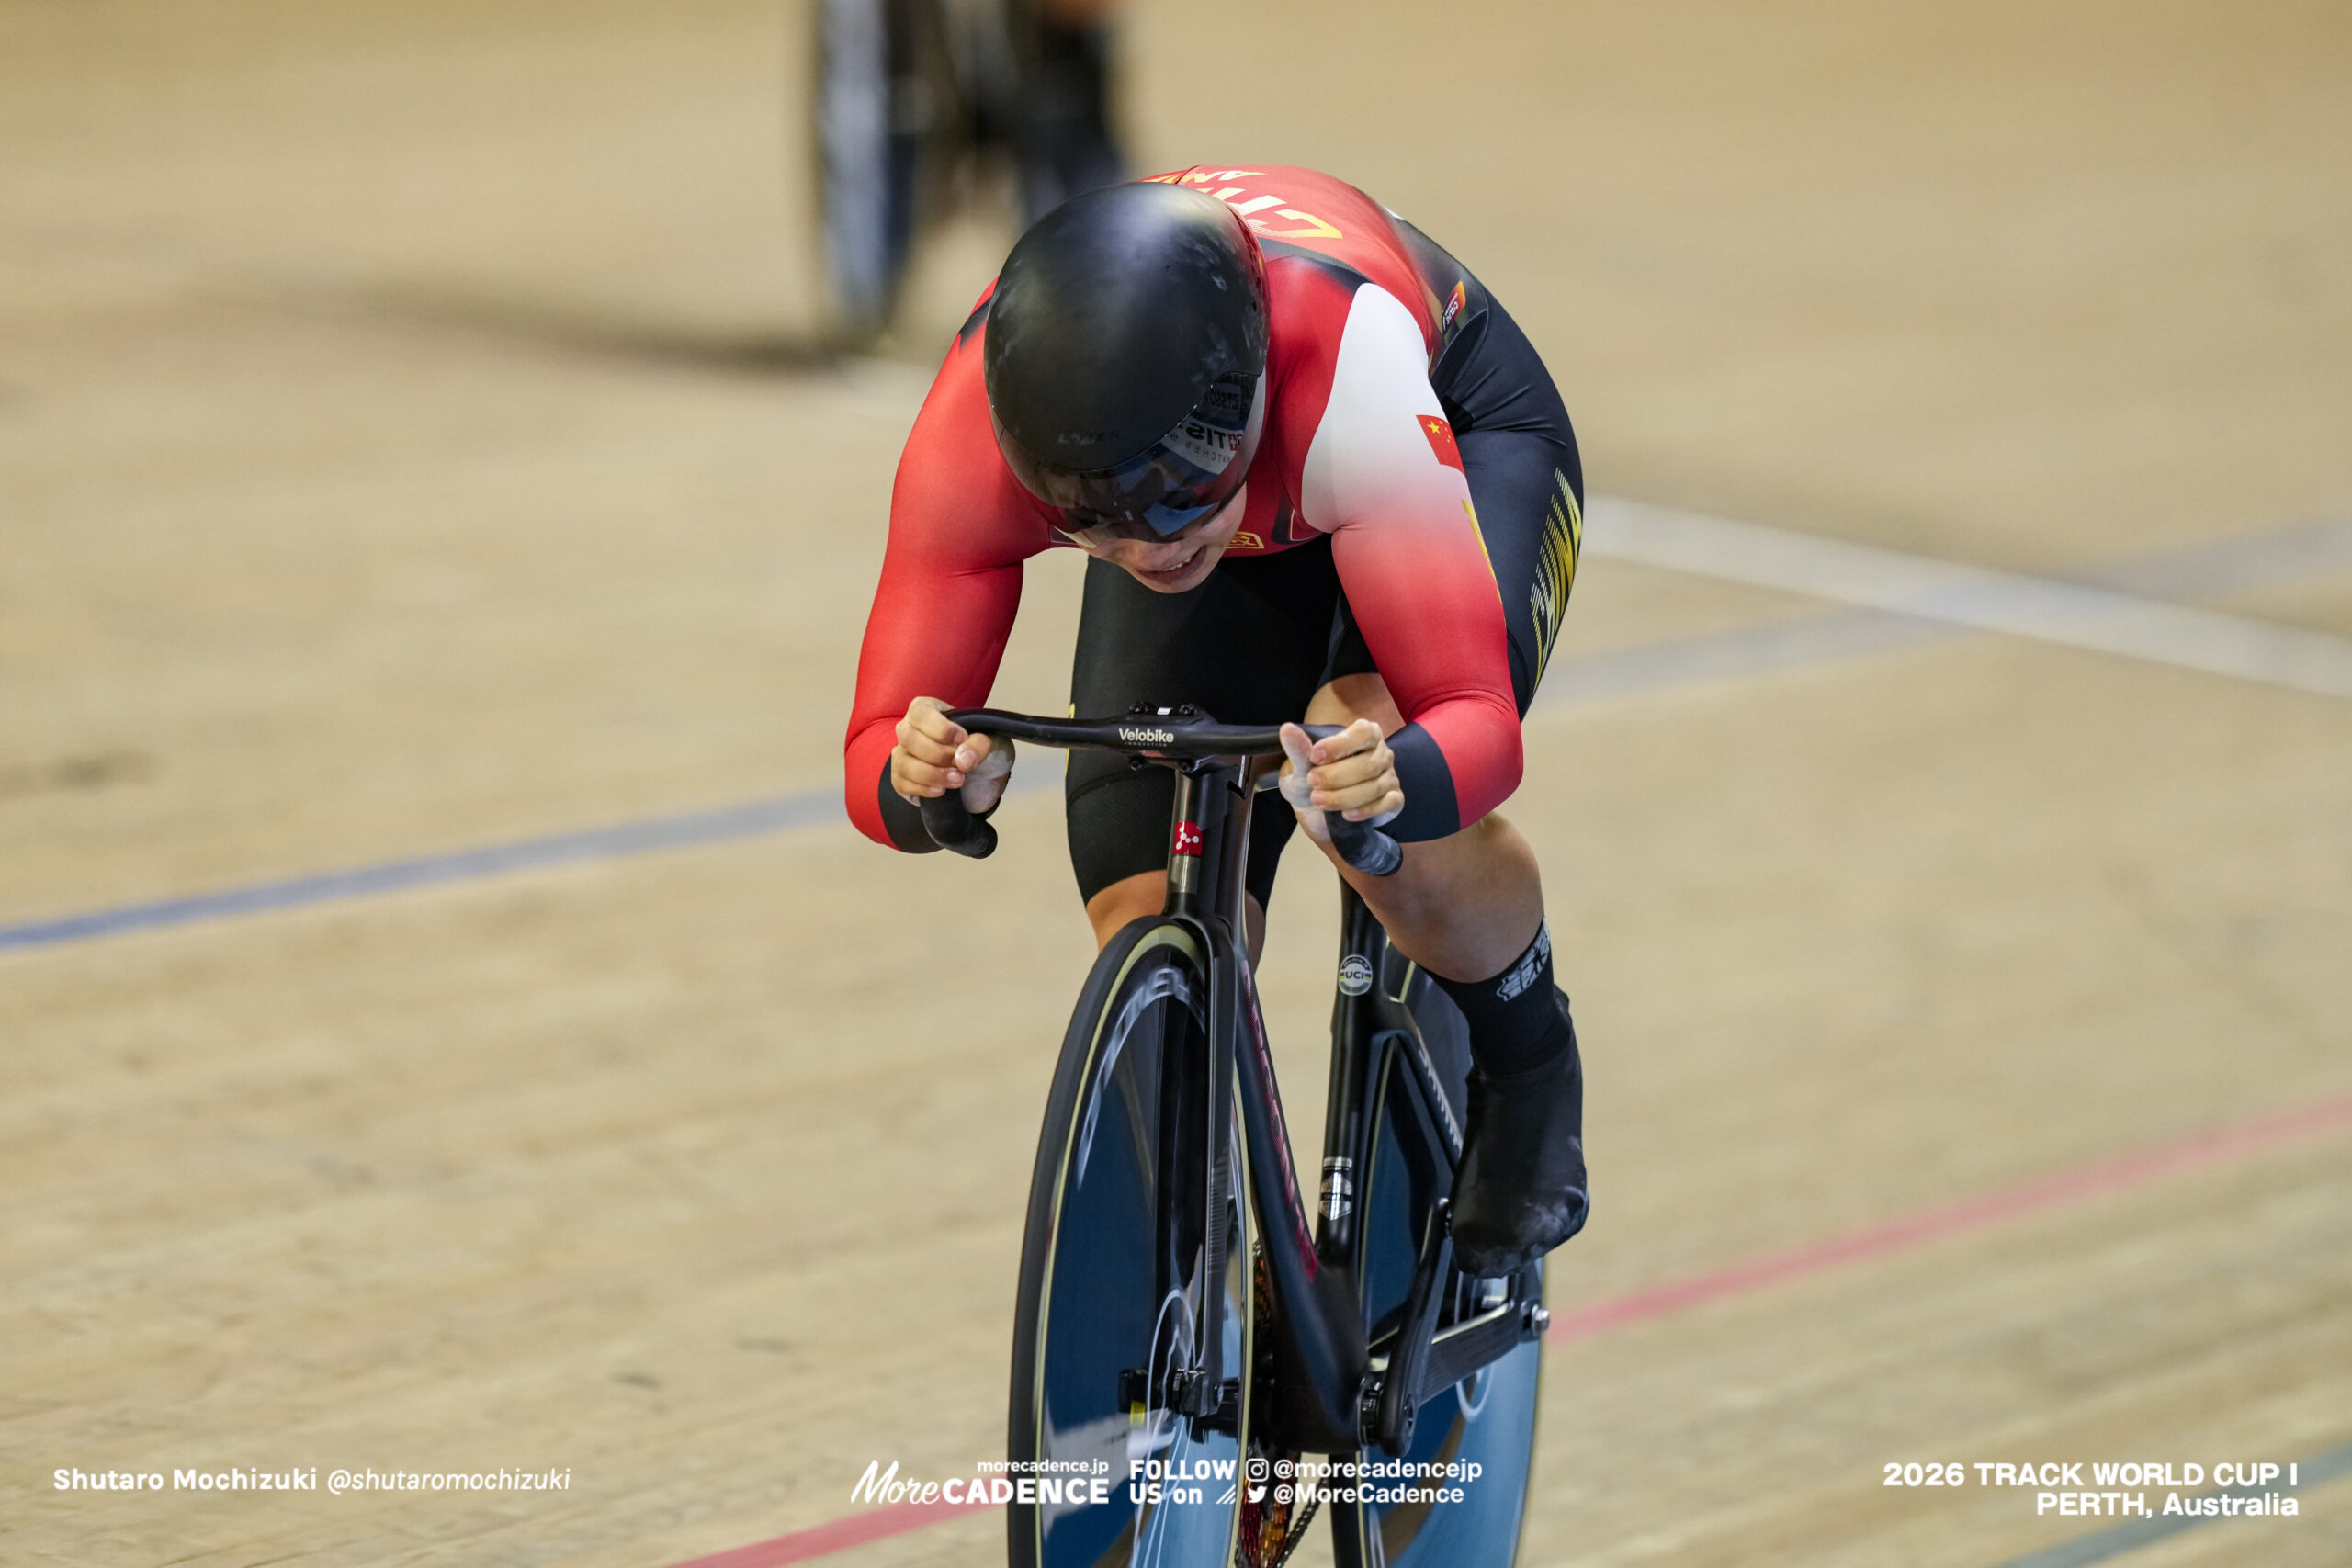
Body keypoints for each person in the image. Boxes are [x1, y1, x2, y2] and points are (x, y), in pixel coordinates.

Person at [842, 167, 1589, 1276]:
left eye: (1181, 488)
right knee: (1147, 906)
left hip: (1454, 437)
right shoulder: (983, 437)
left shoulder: (1348, 375)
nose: (1149, 546)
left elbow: (1474, 725)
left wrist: (1399, 782)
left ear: (1242, 405)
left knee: (1371, 768)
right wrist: (931, 780)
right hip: (1262, 494)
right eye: (1092, 520)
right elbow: (873, 761)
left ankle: (1531, 1069)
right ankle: (1208, 1268)